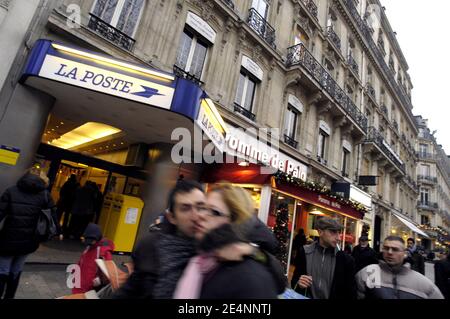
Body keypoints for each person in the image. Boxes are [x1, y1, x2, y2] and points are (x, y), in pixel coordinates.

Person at [173, 184, 286, 299]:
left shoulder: (248, 277)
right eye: (203, 208)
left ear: (235, 222)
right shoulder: (201, 259)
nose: (200, 215)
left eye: (214, 212)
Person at [0, 169, 58, 299]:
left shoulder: (11, 191)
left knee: (2, 270)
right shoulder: (44, 195)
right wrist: (57, 232)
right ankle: (9, 296)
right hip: (29, 241)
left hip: (7, 239)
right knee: (16, 270)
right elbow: (52, 216)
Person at [355, 236, 444, 299]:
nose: (390, 252)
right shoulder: (368, 273)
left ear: (404, 253)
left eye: (395, 249)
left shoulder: (424, 284)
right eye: (386, 248)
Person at [291, 217, 356, 299]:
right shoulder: (304, 252)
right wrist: (299, 283)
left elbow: (351, 293)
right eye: (333, 232)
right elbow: (295, 281)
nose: (338, 238)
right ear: (320, 232)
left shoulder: (346, 260)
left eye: (339, 233)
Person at [72, 223, 114, 294]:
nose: (89, 243)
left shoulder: (103, 252)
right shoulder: (89, 247)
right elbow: (82, 262)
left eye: (91, 241)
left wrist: (100, 280)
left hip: (90, 288)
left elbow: (109, 272)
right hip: (80, 285)